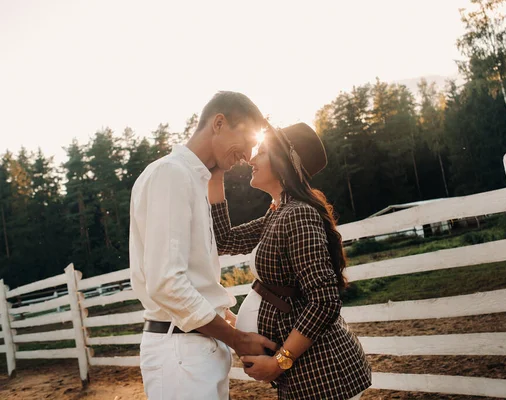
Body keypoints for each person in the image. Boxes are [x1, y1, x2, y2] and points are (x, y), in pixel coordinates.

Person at [129, 91, 277, 400]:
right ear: (219, 123)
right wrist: (236, 339)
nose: (249, 156)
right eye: (248, 140)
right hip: (181, 352)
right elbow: (166, 283)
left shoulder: (192, 181)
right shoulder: (171, 175)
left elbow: (194, 277)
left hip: (193, 349)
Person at [208, 122, 372, 399]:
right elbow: (224, 239)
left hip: (323, 374)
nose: (251, 159)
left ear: (283, 162)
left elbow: (324, 300)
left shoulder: (297, 214)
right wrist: (217, 173)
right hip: (306, 375)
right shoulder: (277, 212)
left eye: (261, 152)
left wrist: (279, 361)